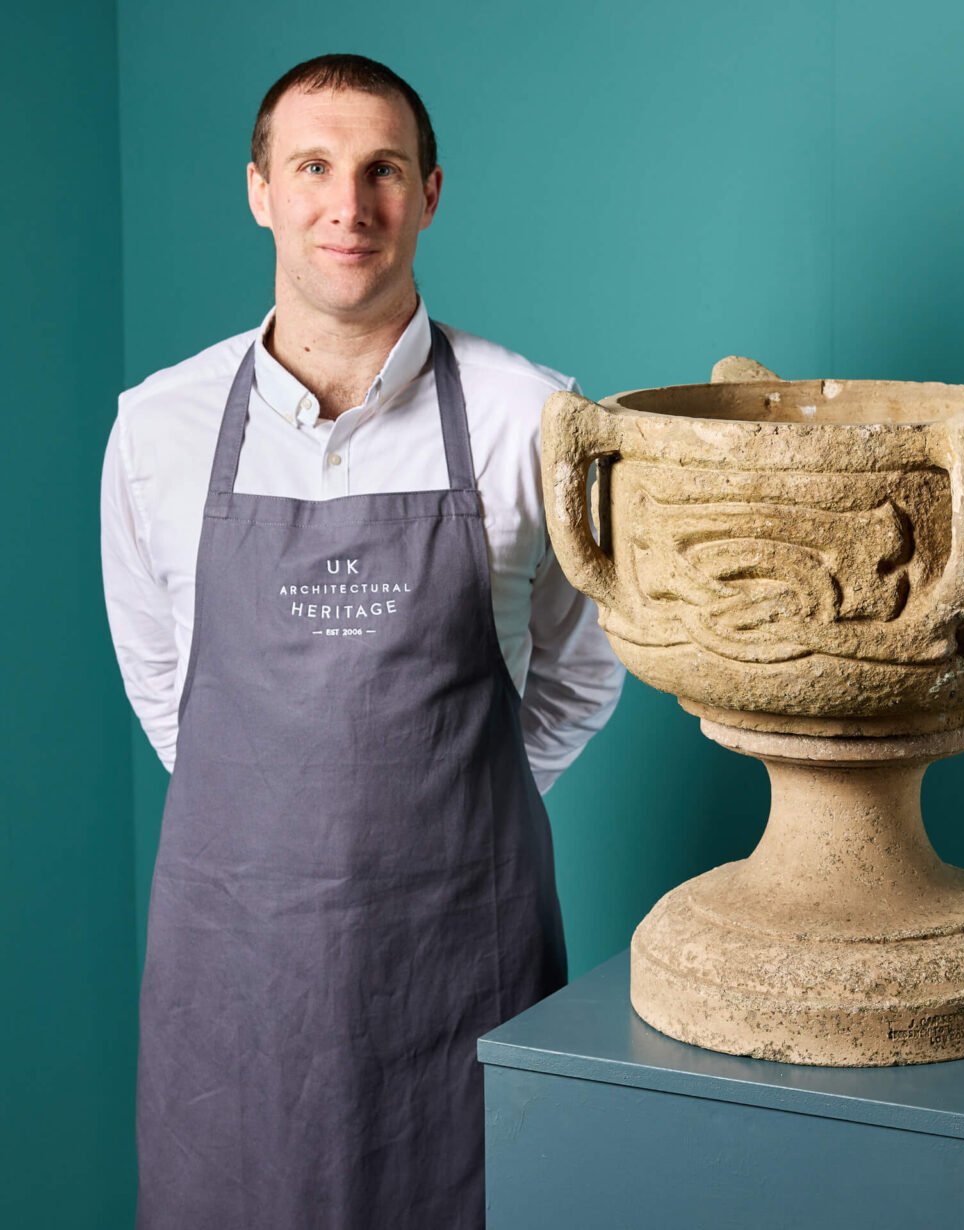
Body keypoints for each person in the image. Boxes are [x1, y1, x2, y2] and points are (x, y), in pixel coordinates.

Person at [100, 53, 623, 1228]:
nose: (349, 205)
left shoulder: (533, 419)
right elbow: (162, 678)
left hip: (463, 957)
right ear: (259, 190)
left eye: (382, 170)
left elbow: (586, 669)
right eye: (313, 168)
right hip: (234, 977)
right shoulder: (158, 428)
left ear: (428, 193)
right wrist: (276, 814)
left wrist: (455, 810)